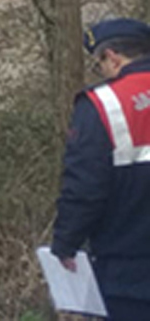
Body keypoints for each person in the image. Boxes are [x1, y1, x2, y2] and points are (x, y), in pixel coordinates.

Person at [52, 17, 150, 320]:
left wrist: (66, 243)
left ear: (112, 57)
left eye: (100, 65)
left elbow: (85, 188)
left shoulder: (102, 104)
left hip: (129, 266)